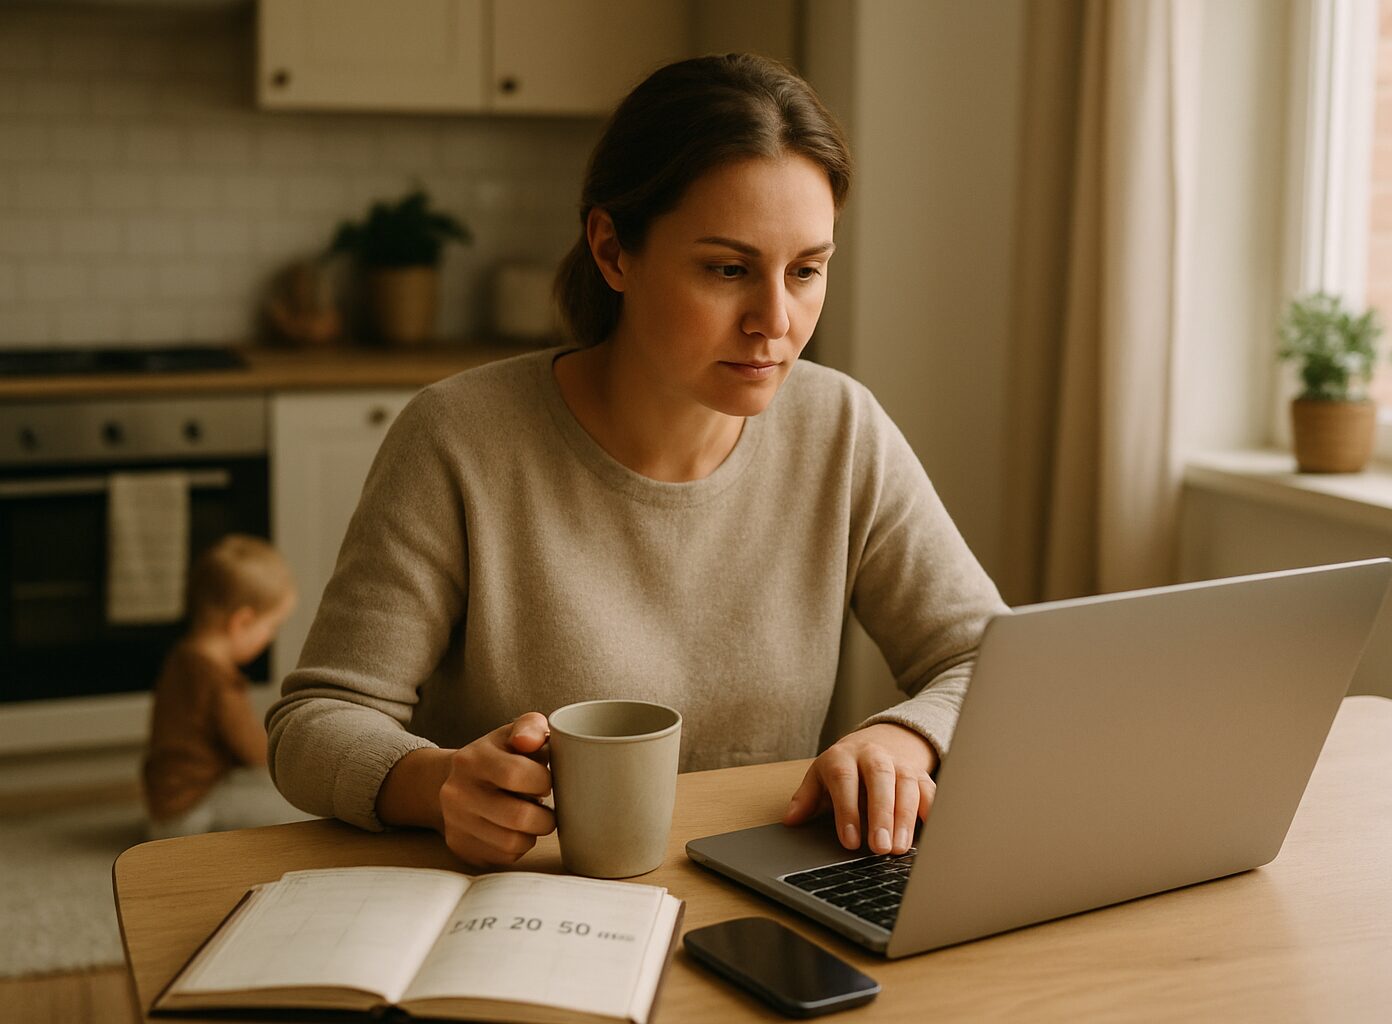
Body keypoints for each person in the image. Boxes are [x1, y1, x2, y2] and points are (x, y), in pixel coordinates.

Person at [268, 53, 1009, 868]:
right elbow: (317, 721)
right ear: (613, 251)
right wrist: (436, 783)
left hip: (760, 896)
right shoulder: (458, 438)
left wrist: (907, 738)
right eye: (728, 270)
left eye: (805, 271)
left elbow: (986, 658)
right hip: (531, 909)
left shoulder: (843, 430)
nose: (776, 321)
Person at [142, 534, 312, 839]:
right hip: (191, 815)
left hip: (164, 808)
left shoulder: (182, 656)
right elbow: (257, 754)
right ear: (242, 622)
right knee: (296, 810)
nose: (271, 637)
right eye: (271, 626)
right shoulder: (219, 681)